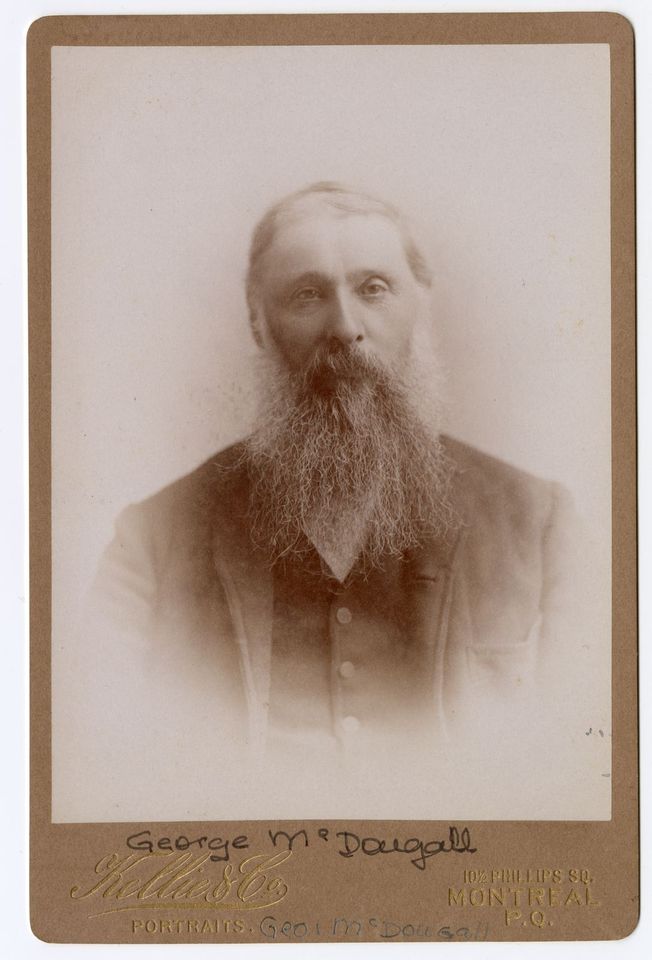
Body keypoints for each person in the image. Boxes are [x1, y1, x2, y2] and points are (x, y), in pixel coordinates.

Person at [66, 183, 605, 821]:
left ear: (420, 307)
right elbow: (91, 750)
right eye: (308, 295)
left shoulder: (538, 522)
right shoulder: (153, 540)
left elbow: (580, 762)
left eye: (374, 289)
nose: (346, 328)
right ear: (257, 322)